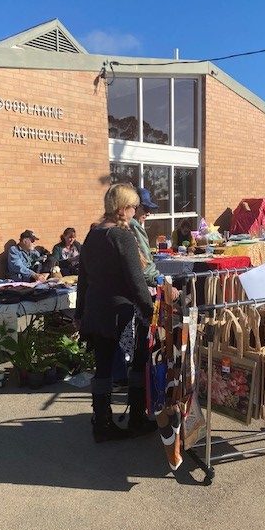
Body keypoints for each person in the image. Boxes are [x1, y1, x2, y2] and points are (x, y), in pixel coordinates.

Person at [75, 184, 154, 443]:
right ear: (122, 208)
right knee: (139, 362)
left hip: (96, 309)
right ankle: (136, 417)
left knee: (103, 367)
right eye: (132, 206)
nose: (135, 210)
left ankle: (102, 421)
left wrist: (80, 311)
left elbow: (83, 278)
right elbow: (136, 280)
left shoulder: (94, 234)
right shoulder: (122, 236)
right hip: (120, 311)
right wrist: (149, 310)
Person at [129, 188, 179, 418]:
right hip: (135, 299)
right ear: (132, 206)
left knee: (137, 356)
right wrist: (163, 282)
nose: (147, 213)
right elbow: (144, 266)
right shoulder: (131, 227)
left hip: (125, 298)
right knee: (141, 354)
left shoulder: (112, 229)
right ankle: (138, 414)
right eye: (145, 208)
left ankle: (133, 411)